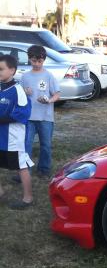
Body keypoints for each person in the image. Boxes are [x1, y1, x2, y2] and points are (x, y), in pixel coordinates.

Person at [20, 45, 60, 178]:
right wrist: (24, 92)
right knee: (26, 145)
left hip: (45, 117)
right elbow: (19, 95)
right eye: (33, 61)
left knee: (46, 145)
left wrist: (49, 101)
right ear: (29, 59)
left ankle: (44, 169)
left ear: (44, 60)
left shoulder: (49, 76)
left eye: (39, 61)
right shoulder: (25, 76)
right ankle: (25, 171)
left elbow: (56, 94)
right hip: (29, 117)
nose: (36, 64)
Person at [0, 54, 34, 209]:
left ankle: (28, 198)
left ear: (12, 70)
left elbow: (24, 113)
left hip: (12, 138)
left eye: (1, 69)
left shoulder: (18, 90)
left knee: (21, 166)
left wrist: (3, 119)